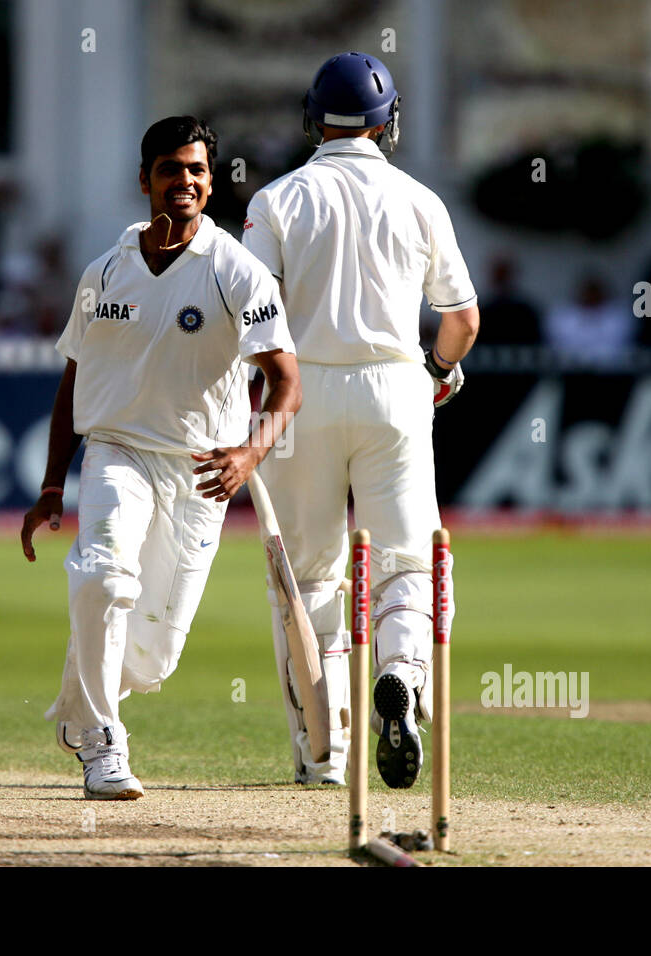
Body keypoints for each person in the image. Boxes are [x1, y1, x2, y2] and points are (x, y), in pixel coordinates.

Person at [20, 117, 301, 800]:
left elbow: (287, 382)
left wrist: (249, 452)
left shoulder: (238, 270)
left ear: (210, 183)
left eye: (198, 171)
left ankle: (79, 708)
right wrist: (52, 484)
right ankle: (101, 744)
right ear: (144, 179)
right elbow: (72, 380)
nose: (186, 182)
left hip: (200, 470)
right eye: (171, 169)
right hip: (117, 450)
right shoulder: (105, 270)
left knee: (151, 661)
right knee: (102, 576)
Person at [242, 53, 479, 788]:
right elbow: (463, 321)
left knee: (308, 574)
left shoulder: (277, 200)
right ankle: (402, 680)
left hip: (299, 395)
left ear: (313, 121)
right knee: (407, 563)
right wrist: (435, 375)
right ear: (390, 123)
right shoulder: (419, 199)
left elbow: (252, 315)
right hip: (395, 393)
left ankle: (325, 753)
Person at [543, 273, 635, 367]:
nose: (591, 296)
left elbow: (615, 348)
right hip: (569, 372)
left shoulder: (618, 317)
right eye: (588, 292)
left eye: (594, 292)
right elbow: (561, 348)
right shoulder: (562, 316)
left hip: (612, 371)